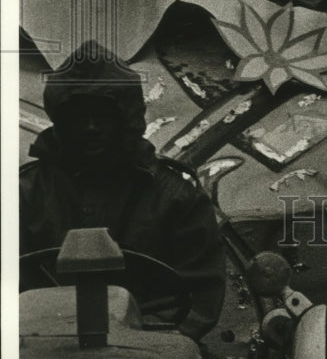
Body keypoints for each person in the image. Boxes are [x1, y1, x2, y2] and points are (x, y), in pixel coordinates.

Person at [19, 41, 226, 340]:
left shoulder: (175, 197)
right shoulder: (24, 196)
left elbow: (198, 297)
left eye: (103, 114)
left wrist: (138, 336)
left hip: (146, 351)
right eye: (79, 115)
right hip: (40, 355)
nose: (91, 127)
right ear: (61, 121)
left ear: (125, 120)